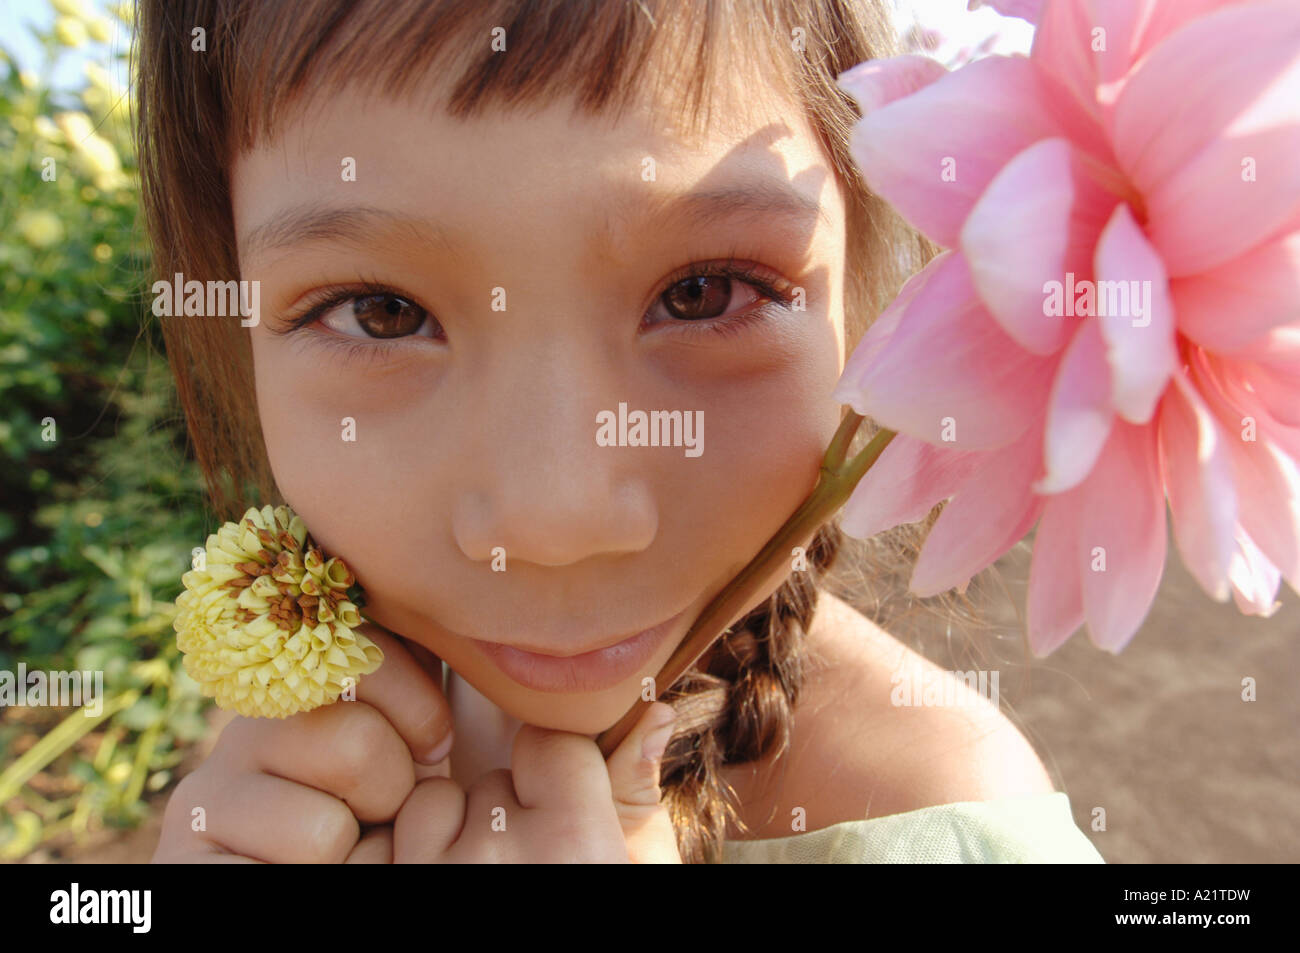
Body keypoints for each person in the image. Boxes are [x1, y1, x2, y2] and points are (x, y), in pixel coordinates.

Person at [140, 0, 1103, 863]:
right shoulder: (289, 759)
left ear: (875, 294)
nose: (557, 518)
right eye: (380, 312)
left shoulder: (951, 822)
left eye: (702, 292)